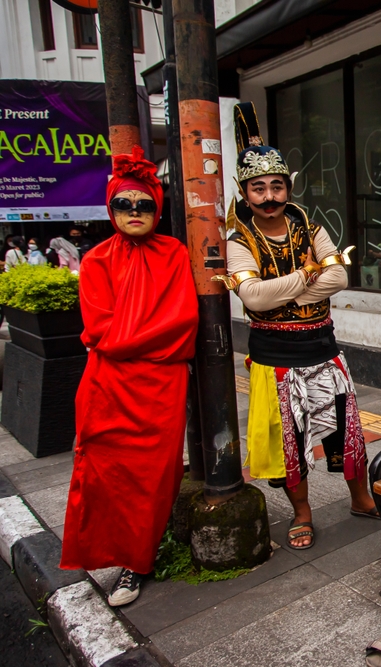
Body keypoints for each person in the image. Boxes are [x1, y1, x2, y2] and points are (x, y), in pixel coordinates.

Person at [215, 102, 376, 552]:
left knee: (349, 431)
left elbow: (339, 277)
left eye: (277, 186)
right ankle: (302, 513)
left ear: (288, 187)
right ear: (244, 193)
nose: (269, 196)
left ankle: (361, 497)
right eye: (258, 188)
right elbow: (252, 298)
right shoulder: (238, 240)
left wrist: (281, 290)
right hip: (275, 360)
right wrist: (307, 278)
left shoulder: (308, 222)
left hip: (324, 349)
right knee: (290, 443)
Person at [60, 146, 199, 608]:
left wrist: (122, 339)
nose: (135, 212)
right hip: (107, 388)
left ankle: (137, 562)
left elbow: (181, 326)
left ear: (157, 208)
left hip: (158, 389)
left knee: (152, 478)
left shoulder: (175, 252)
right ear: (111, 208)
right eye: (125, 204)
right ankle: (107, 552)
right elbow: (97, 329)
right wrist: (134, 338)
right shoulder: (96, 260)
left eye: (144, 204)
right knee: (103, 472)